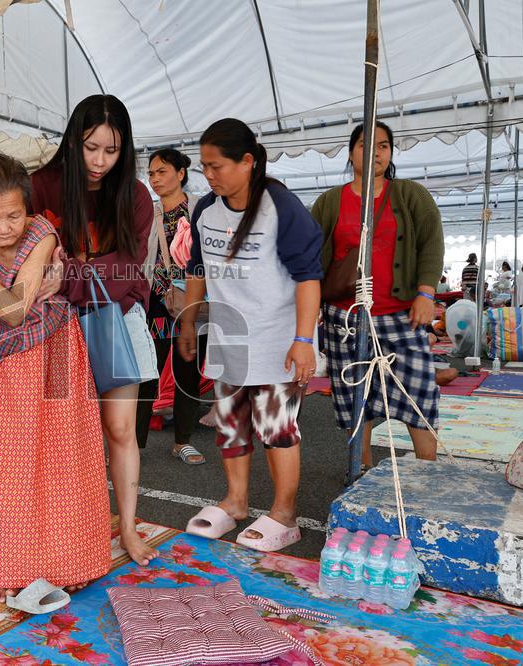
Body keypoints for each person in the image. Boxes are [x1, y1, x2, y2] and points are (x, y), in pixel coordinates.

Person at [0, 153, 110, 603]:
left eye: (13, 214)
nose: (5, 227)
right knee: (1, 464)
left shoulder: (41, 235)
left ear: (27, 208)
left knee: (61, 461)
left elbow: (13, 310)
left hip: (53, 354)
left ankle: (71, 562)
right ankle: (3, 565)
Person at [177, 119, 321, 552]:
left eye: (217, 165)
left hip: (276, 339)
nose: (210, 175)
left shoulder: (281, 207)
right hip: (227, 338)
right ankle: (236, 503)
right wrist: (188, 320)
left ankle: (284, 515)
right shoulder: (205, 209)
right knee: (231, 426)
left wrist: (304, 340)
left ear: (248, 161)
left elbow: (308, 277)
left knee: (277, 428)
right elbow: (197, 269)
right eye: (204, 167)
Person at [30, 94, 160, 566]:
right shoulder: (40, 186)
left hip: (115, 320)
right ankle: (67, 530)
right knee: (64, 435)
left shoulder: (137, 196)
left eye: (112, 150)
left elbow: (128, 269)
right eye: (91, 148)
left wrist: (68, 275)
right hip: (54, 326)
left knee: (120, 428)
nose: (101, 162)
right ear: (73, 141)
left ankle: (126, 527)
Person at [311, 121, 444, 468]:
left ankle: (426, 471)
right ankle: (361, 469)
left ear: (391, 152)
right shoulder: (330, 202)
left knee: (419, 393)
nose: (375, 152)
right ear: (351, 151)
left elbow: (432, 243)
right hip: (347, 317)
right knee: (358, 397)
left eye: (383, 146)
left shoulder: (410, 195)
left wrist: (426, 293)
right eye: (366, 146)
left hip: (402, 313)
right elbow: (311, 256)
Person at [135, 148, 207, 465]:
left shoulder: (201, 211)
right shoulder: (146, 212)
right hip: (156, 304)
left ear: (180, 173)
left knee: (186, 371)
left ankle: (183, 441)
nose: (155, 178)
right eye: (151, 173)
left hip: (192, 303)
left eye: (162, 171)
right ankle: (134, 445)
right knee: (147, 372)